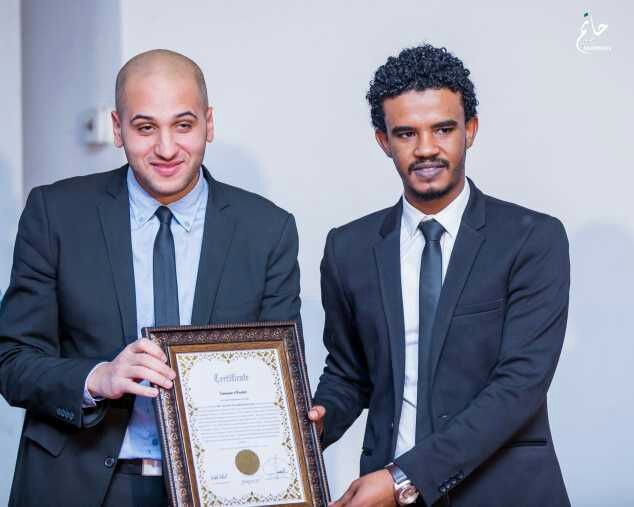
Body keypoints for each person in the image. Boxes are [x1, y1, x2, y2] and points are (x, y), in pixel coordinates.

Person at [0, 49, 301, 506]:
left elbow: (277, 375)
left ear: (208, 123)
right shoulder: (56, 214)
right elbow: (12, 360)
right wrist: (97, 377)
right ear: (118, 128)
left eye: (183, 125)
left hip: (219, 489)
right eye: (145, 127)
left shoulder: (267, 230)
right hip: (77, 484)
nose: (166, 148)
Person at [308, 45, 570, 507]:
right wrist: (309, 425)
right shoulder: (348, 248)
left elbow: (519, 386)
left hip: (502, 492)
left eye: (443, 129)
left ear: (470, 130)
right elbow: (349, 373)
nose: (426, 148)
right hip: (382, 492)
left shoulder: (532, 239)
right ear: (383, 141)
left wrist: (403, 479)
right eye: (406, 133)